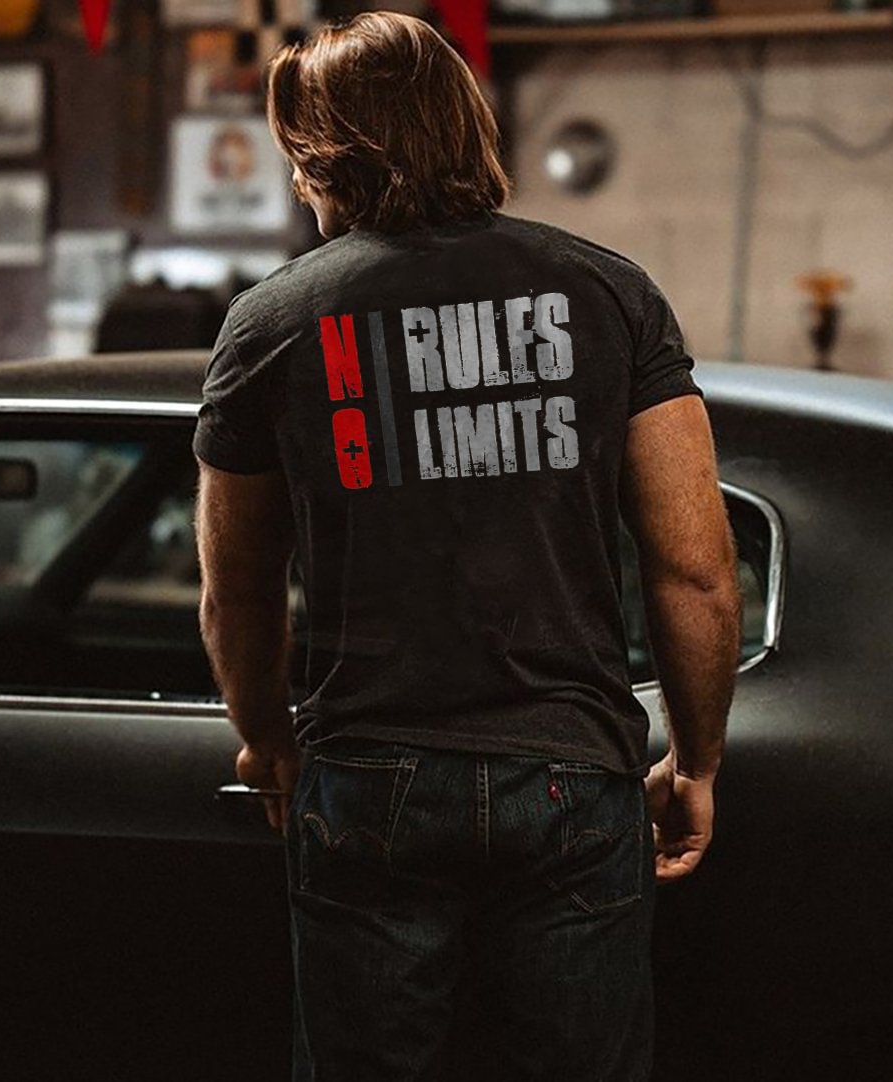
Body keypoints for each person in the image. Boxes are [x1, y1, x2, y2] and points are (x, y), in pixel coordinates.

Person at [193, 10, 742, 1081]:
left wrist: (264, 737)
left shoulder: (270, 324)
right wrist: (698, 760)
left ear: (328, 155)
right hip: (573, 773)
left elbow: (238, 587)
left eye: (298, 157)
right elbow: (695, 568)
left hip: (369, 775)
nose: (297, 184)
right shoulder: (609, 293)